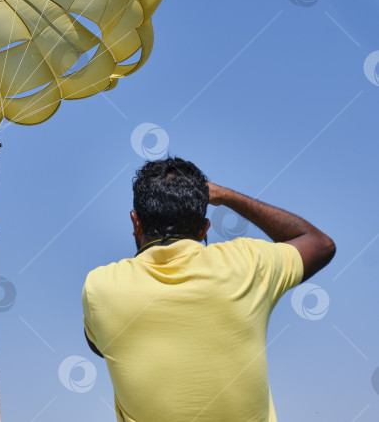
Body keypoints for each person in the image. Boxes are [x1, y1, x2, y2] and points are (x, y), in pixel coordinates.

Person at [82, 157, 336, 421]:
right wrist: (226, 196)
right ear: (204, 228)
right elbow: (320, 243)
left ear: (136, 222)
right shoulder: (245, 263)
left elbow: (99, 347)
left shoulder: (101, 287)